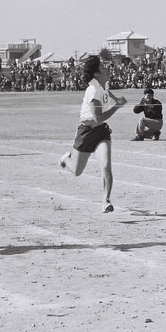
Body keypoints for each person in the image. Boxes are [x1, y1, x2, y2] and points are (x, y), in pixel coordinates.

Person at [58, 55, 127, 213]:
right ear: (96, 73)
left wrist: (116, 99)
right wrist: (117, 106)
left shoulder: (103, 85)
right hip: (86, 132)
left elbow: (107, 92)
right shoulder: (93, 90)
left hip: (101, 131)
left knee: (106, 165)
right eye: (102, 67)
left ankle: (106, 201)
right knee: (77, 171)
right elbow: (98, 118)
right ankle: (65, 159)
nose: (106, 68)